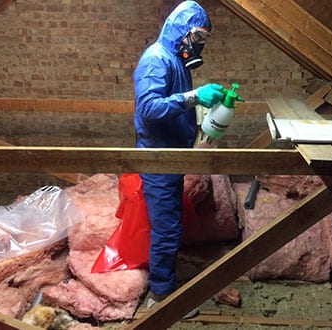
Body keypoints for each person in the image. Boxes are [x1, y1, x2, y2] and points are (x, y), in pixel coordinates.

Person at [132, 0, 224, 316]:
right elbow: (149, 108)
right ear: (180, 30)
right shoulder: (156, 60)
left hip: (171, 154)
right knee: (166, 228)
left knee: (170, 224)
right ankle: (162, 297)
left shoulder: (177, 62)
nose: (199, 44)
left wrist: (204, 110)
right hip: (159, 157)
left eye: (203, 39)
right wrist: (194, 96)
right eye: (197, 36)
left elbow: (179, 105)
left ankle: (164, 281)